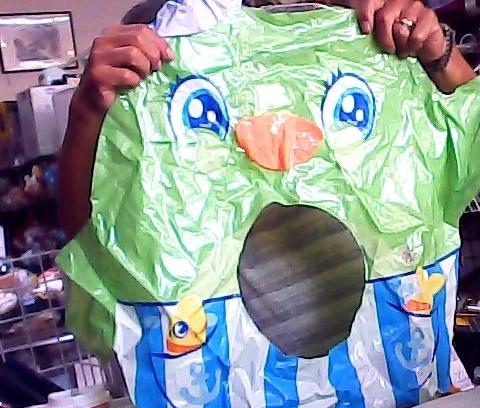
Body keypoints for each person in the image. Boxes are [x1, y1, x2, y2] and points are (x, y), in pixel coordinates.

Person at [59, 0, 476, 240]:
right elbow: (91, 242)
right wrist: (88, 112)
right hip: (222, 340)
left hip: (387, 336)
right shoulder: (166, 39)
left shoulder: (377, 25)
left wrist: (436, 49)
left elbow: (471, 148)